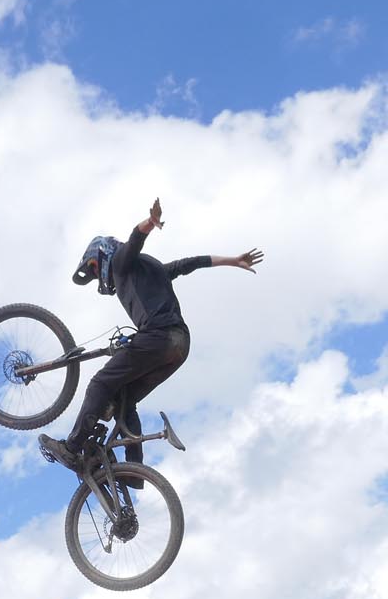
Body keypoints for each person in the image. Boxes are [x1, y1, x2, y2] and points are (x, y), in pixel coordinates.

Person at [39, 198, 263, 477]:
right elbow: (188, 264)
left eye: (95, 268)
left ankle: (72, 448)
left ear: (103, 253)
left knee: (99, 384)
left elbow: (134, 240)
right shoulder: (153, 269)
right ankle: (134, 473)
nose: (98, 276)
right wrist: (232, 260)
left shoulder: (121, 263)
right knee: (124, 399)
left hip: (157, 338)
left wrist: (149, 224)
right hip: (179, 345)